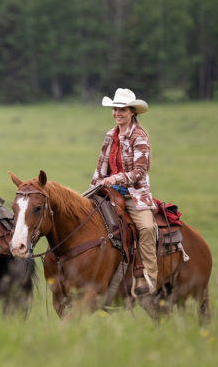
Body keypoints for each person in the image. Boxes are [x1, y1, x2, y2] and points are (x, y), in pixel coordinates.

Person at [90, 88, 158, 296]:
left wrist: (116, 178)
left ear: (132, 112)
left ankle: (149, 278)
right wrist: (93, 188)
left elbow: (140, 171)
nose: (117, 113)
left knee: (146, 228)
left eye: (122, 109)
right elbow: (101, 166)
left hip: (133, 195)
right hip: (108, 192)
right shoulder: (110, 135)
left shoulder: (140, 137)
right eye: (115, 109)